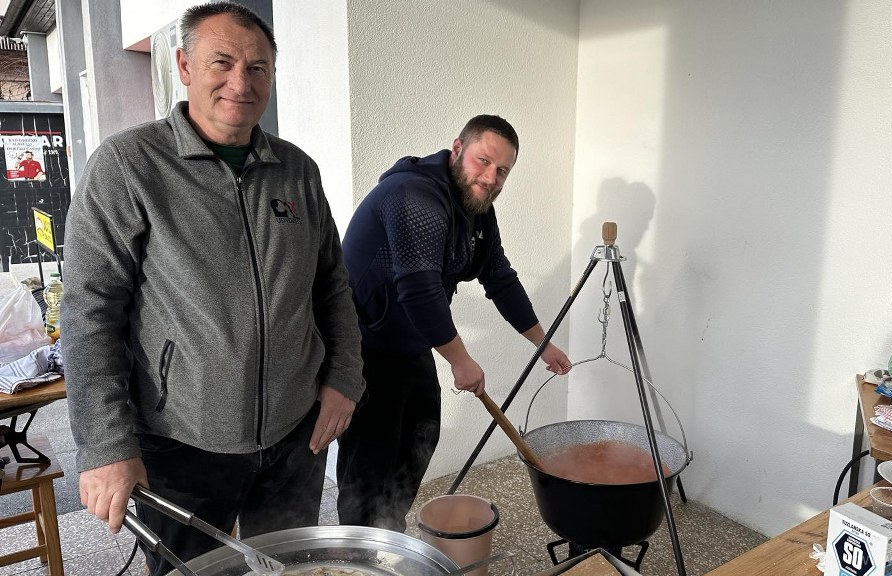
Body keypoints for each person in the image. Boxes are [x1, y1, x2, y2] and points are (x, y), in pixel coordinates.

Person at [60, 3, 364, 574]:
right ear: (184, 65)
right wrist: (105, 444)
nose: (240, 83)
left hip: (294, 436)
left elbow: (332, 286)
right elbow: (88, 313)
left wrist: (345, 377)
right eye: (221, 62)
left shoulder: (297, 170)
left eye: (258, 68)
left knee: (292, 567)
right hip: (182, 443)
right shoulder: (129, 166)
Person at [336, 114, 572, 531]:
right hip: (361, 342)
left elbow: (500, 278)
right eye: (484, 161)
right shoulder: (413, 194)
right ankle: (359, 545)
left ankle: (387, 531)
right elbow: (420, 289)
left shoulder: (478, 210)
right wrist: (461, 361)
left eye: (503, 171)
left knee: (421, 435)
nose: (491, 178)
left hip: (408, 338)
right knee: (371, 457)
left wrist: (542, 343)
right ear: (458, 149)